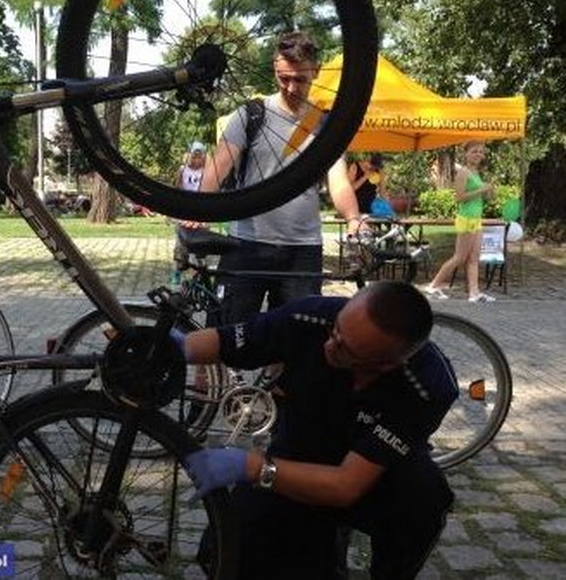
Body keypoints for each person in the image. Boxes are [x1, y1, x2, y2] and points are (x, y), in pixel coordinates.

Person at [178, 281, 457, 579]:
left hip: (374, 474)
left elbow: (345, 486)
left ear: (387, 364)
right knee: (226, 550)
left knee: (423, 498)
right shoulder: (309, 317)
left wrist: (252, 467)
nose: (329, 346)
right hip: (299, 456)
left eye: (345, 350)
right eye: (335, 331)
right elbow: (224, 341)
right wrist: (172, 349)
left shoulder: (427, 386)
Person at [201, 31, 362, 324]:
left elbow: (338, 181)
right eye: (282, 77)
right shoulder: (251, 114)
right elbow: (219, 165)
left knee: (294, 343)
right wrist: (198, 209)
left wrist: (353, 218)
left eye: (299, 79)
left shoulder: (325, 125)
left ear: (316, 70)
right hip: (246, 244)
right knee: (222, 335)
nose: (290, 87)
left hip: (302, 251)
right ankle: (216, 373)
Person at [424, 140, 496, 302]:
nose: (478, 154)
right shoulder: (463, 173)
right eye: (474, 151)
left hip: (476, 219)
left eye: (480, 152)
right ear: (466, 154)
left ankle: (474, 293)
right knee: (459, 257)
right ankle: (433, 286)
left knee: (473, 258)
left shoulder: (476, 173)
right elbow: (459, 198)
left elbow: (485, 197)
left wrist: (489, 190)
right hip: (466, 219)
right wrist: (481, 189)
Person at [171, 141, 208, 284]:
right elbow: (177, 189)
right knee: (180, 246)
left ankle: (198, 277)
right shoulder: (182, 170)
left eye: (199, 155)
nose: (196, 158)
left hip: (201, 211)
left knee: (201, 248)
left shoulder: (207, 171)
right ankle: (177, 274)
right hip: (184, 211)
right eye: (194, 155)